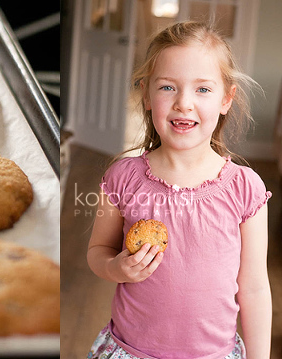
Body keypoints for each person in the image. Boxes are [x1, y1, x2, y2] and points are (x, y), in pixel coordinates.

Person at [86, 21, 272, 359]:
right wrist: (116, 268)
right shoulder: (121, 178)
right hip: (131, 351)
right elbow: (98, 251)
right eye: (168, 87)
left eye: (202, 89)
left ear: (226, 99)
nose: (184, 103)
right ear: (146, 94)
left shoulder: (246, 188)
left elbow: (256, 289)